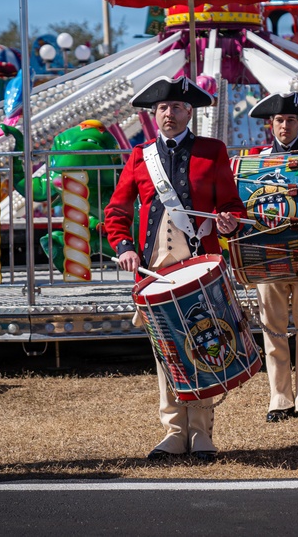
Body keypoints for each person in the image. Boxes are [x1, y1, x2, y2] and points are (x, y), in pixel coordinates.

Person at [102, 76, 247, 463]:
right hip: (155, 272)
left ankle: (201, 431)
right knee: (165, 353)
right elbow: (115, 212)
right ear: (154, 114)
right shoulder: (139, 156)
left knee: (205, 345)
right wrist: (126, 247)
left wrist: (228, 220)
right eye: (163, 108)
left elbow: (232, 205)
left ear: (189, 112)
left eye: (177, 107)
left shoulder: (212, 151)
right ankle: (174, 432)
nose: (170, 113)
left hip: (199, 270)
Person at [246, 92, 298, 423]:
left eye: (291, 120)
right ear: (271, 124)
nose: (284, 125)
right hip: (267, 254)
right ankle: (279, 397)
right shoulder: (255, 158)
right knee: (274, 329)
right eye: (279, 120)